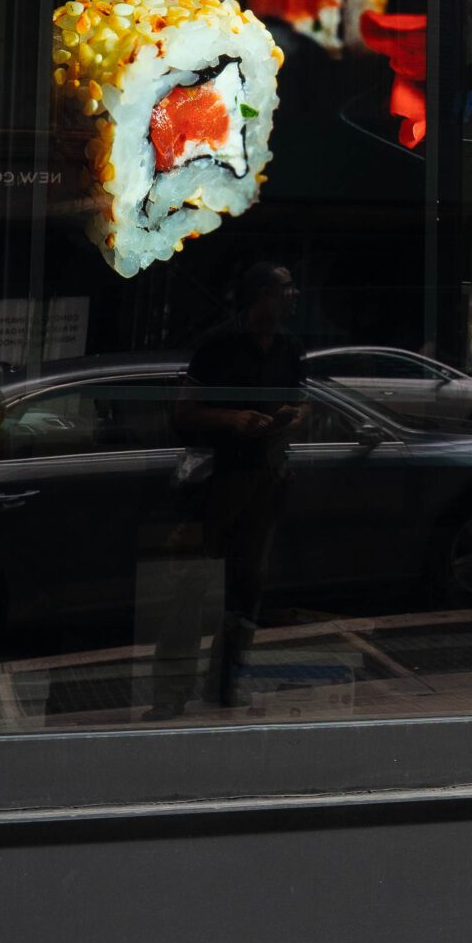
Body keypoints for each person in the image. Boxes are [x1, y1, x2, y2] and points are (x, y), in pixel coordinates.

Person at [165, 262, 305, 713]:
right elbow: (184, 413)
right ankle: (171, 693)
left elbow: (300, 402)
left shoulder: (290, 347)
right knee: (192, 586)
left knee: (247, 585)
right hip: (218, 478)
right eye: (286, 289)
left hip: (265, 477)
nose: (294, 296)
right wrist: (233, 419)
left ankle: (225, 684)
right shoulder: (219, 344)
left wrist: (289, 419)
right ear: (263, 294)